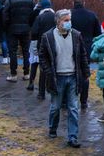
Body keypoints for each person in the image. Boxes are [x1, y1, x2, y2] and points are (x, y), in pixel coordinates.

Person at [38, 9, 90, 148]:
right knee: (55, 107)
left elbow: (82, 54)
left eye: (69, 20)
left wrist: (85, 72)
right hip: (57, 77)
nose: (69, 23)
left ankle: (72, 137)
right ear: (58, 21)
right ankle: (52, 129)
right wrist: (48, 71)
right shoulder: (48, 37)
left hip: (73, 76)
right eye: (66, 20)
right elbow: (42, 56)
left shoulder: (76, 35)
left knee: (73, 108)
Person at [70, 0, 101, 109]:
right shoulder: (91, 15)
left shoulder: (69, 15)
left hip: (71, 46)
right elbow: (97, 33)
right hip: (86, 47)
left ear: (73, 3)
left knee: (70, 72)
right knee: (84, 74)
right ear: (84, 3)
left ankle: (69, 99)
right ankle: (84, 101)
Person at [3, 0, 35, 82]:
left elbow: (5, 15)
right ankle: (26, 73)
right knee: (26, 52)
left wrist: (6, 26)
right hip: (26, 29)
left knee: (12, 52)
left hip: (12, 29)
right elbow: (33, 15)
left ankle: (13, 74)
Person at [28, 0, 55, 98]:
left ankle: (41, 92)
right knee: (52, 68)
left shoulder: (39, 17)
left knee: (39, 67)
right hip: (53, 45)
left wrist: (34, 46)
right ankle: (52, 90)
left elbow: (34, 33)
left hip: (41, 45)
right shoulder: (55, 16)